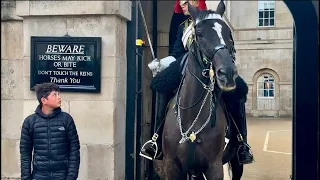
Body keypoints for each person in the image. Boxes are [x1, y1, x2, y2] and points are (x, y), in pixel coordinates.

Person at [141, 0, 254, 165]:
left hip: (212, 64)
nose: (182, 6)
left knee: (239, 89)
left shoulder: (214, 21)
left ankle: (241, 141)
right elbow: (177, 52)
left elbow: (226, 46)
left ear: (196, 2)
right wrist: (162, 63)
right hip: (185, 63)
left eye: (185, 2)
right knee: (159, 83)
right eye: (181, 3)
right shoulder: (183, 27)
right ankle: (156, 140)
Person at [20, 83, 80, 180]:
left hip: (62, 175)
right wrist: (26, 178)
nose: (59, 98)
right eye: (54, 95)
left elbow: (74, 150)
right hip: (39, 176)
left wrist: (71, 177)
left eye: (58, 94)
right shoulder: (30, 122)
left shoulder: (66, 119)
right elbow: (25, 153)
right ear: (44, 100)